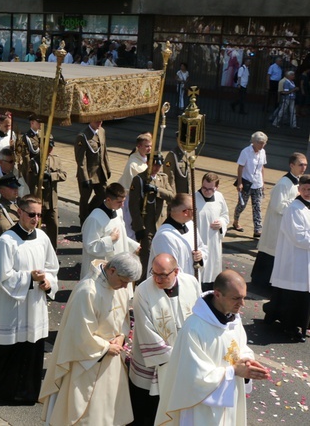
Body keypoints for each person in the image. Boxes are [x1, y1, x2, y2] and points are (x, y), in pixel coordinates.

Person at [154, 270, 271, 425]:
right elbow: (195, 377)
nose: (242, 304)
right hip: (201, 406)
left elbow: (241, 348)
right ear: (217, 294)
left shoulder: (233, 320)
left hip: (229, 397)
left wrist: (247, 362)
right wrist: (234, 371)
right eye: (236, 298)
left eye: (244, 297)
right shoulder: (194, 327)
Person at [39, 252, 141, 425]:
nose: (125, 287)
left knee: (109, 414)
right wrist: (106, 347)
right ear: (112, 271)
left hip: (112, 362)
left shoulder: (117, 286)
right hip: (87, 362)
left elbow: (123, 318)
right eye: (123, 281)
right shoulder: (88, 290)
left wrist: (121, 336)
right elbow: (79, 333)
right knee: (87, 415)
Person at [0, 196, 59, 403]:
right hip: (12, 304)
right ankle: (5, 389)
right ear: (20, 212)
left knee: (31, 348)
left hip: (34, 303)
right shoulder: (7, 241)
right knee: (8, 348)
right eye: (32, 214)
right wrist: (29, 278)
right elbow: (2, 276)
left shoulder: (42, 238)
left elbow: (52, 268)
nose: (36, 219)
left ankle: (28, 391)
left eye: (39, 215)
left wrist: (48, 282)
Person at [129, 253, 202, 426]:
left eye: (163, 275)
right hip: (154, 362)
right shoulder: (143, 290)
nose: (157, 279)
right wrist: (174, 358)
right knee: (146, 410)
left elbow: (199, 318)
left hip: (183, 358)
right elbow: (145, 329)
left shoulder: (191, 283)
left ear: (176, 271)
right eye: (154, 273)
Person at [264, 174, 310, 342]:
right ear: (298, 190)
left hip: (306, 261)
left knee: (305, 297)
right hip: (296, 261)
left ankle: (303, 324)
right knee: (295, 297)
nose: (307, 192)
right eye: (304, 189)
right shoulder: (293, 209)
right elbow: (299, 237)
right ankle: (291, 327)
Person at [253, 152, 306, 288]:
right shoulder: (283, 183)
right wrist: (296, 203)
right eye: (300, 165)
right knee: (272, 253)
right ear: (291, 165)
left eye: (305, 165)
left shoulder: (297, 181)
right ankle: (262, 283)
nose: (303, 167)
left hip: (286, 225)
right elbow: (278, 207)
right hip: (277, 226)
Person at [81, 183, 140, 278]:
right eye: (119, 202)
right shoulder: (95, 218)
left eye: (123, 201)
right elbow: (90, 246)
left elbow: (120, 235)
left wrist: (132, 245)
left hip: (118, 264)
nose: (122, 205)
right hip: (101, 271)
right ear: (108, 200)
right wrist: (110, 239)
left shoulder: (118, 211)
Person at [129, 154, 175, 276]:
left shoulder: (163, 178)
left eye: (159, 165)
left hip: (160, 224)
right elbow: (133, 206)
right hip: (146, 225)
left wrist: (157, 190)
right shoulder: (139, 179)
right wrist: (139, 227)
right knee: (146, 255)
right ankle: (142, 280)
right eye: (154, 164)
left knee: (160, 253)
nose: (157, 168)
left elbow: (172, 196)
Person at [149, 193, 207, 279]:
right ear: (186, 212)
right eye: (194, 209)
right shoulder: (165, 237)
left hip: (192, 281)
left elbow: (202, 246)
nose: (196, 212)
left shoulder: (191, 225)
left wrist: (200, 255)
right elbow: (170, 270)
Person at [195, 173, 229, 289]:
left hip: (214, 243)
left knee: (213, 272)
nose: (207, 191)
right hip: (199, 242)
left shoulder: (219, 197)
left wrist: (221, 223)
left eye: (210, 189)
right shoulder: (194, 199)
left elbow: (225, 215)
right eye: (204, 188)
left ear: (216, 187)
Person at [232, 131, 268, 239]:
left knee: (257, 207)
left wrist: (263, 182)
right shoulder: (246, 152)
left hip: (258, 183)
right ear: (253, 142)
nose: (262, 145)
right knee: (242, 205)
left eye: (264, 143)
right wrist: (239, 183)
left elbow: (262, 167)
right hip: (247, 183)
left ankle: (257, 230)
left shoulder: (263, 152)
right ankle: (235, 221)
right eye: (260, 143)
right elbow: (240, 167)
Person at [75, 120, 111, 224]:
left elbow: (105, 152)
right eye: (97, 121)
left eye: (101, 121)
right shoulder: (83, 136)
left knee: (103, 195)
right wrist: (85, 178)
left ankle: (90, 213)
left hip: (100, 172)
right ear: (91, 120)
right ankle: (83, 221)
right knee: (84, 199)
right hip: (88, 174)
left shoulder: (102, 131)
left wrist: (107, 169)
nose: (99, 123)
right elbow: (81, 160)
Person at [119, 133, 152, 237]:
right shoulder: (133, 163)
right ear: (139, 147)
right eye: (146, 146)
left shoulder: (147, 157)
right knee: (129, 224)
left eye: (150, 146)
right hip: (131, 197)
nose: (149, 148)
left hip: (141, 196)